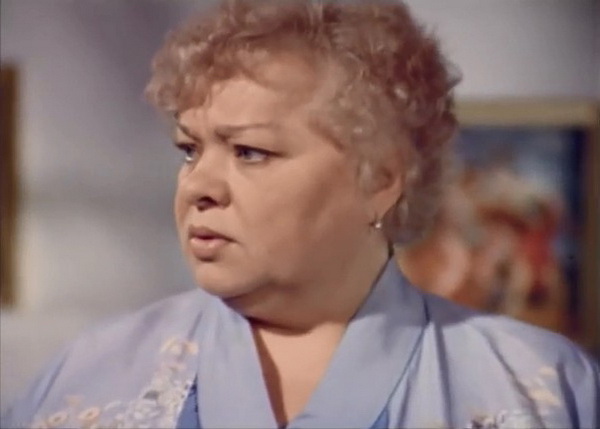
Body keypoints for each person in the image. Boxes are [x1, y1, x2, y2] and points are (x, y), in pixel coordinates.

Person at [2, 1, 598, 428]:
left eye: (249, 152)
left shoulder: (540, 387)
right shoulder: (91, 376)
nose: (197, 187)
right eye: (190, 150)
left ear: (380, 179)